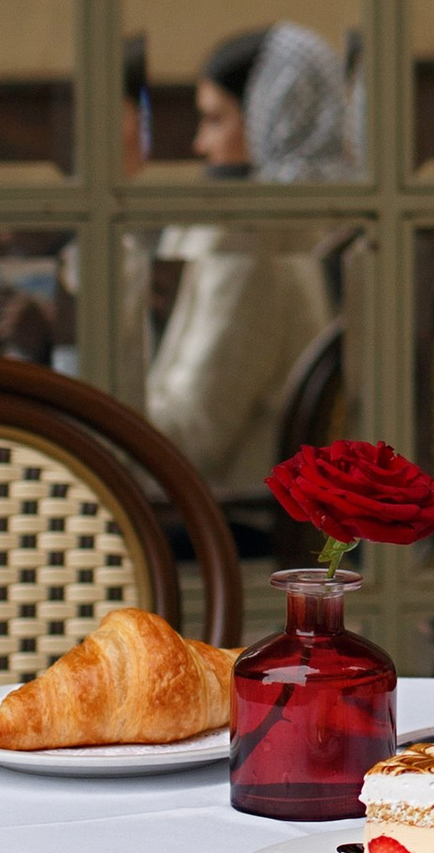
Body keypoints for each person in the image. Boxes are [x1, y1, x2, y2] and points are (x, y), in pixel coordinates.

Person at [136, 25, 355, 499]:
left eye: (215, 120)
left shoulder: (251, 246)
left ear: (268, 120)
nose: (200, 144)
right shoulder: (309, 228)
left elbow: (190, 441)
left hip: (229, 522)